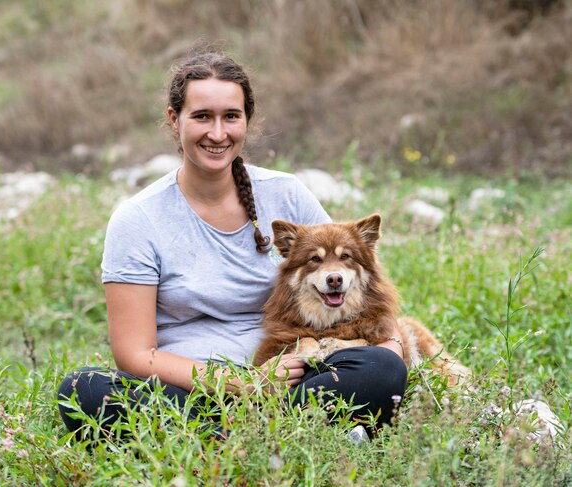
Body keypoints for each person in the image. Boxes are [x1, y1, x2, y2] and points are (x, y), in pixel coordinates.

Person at [57, 50, 407, 440]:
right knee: (82, 389)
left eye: (231, 117)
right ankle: (275, 437)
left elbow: (354, 283)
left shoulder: (286, 194)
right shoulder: (138, 219)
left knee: (382, 369)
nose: (218, 133)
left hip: (294, 382)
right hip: (189, 390)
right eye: (202, 116)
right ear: (175, 120)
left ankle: (213, 441)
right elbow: (136, 354)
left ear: (246, 121)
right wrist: (238, 383)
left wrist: (389, 344)